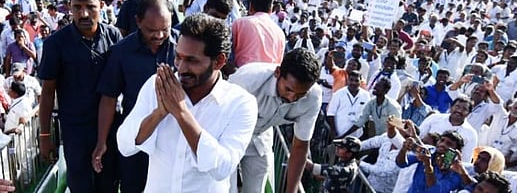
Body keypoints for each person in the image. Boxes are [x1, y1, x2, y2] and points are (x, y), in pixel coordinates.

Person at [117, 14, 257, 192]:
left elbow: (222, 168)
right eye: (178, 57)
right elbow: (125, 145)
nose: (181, 68)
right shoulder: (157, 86)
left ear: (219, 61)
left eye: (192, 60)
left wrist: (181, 113)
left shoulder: (241, 104)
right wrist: (159, 113)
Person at [38, 0, 124, 192]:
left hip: (110, 128)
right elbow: (47, 93)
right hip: (75, 131)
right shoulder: (55, 44)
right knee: (80, 186)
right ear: (69, 7)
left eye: (90, 7)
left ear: (102, 6)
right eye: (77, 7)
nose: (84, 14)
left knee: (109, 185)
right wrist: (45, 136)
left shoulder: (114, 36)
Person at [93, 0, 178, 193]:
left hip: (173, 136)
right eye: (151, 30)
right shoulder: (121, 52)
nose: (158, 36)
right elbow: (109, 98)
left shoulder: (183, 47)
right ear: (138, 21)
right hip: (136, 137)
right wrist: (101, 141)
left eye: (164, 30)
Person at [228, 48, 322, 193]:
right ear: (277, 73)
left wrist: (291, 191)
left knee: (257, 188)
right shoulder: (247, 80)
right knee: (226, 187)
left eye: (300, 94)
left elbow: (300, 146)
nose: (292, 98)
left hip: (260, 137)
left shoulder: (313, 97)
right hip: (229, 134)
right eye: (288, 89)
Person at [231, 0, 286, 68]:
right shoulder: (280, 33)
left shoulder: (240, 23)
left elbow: (229, 55)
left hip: (241, 75)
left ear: (250, 7)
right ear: (271, 8)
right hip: (269, 78)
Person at [327, 70, 371, 139]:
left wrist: (366, 133)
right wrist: (333, 131)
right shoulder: (338, 93)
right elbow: (330, 113)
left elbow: (367, 115)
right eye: (351, 80)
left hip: (358, 134)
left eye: (356, 80)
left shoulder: (366, 95)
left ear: (360, 81)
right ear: (347, 80)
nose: (353, 83)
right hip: (340, 132)